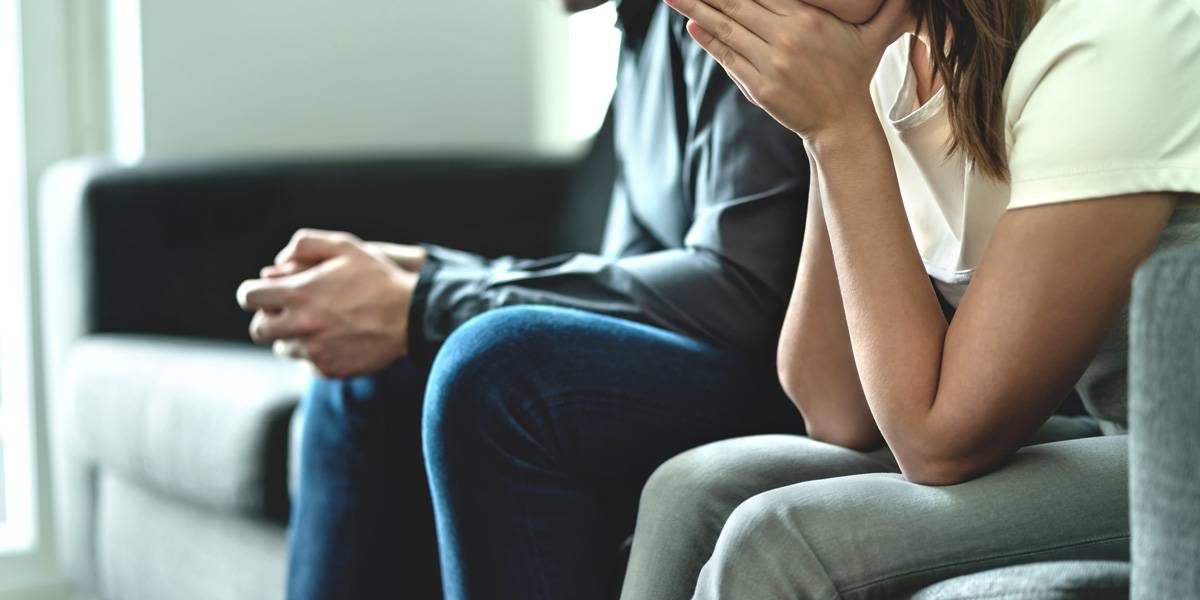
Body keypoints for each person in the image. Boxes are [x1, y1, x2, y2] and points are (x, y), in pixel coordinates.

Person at [234, 0, 827, 597]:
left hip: (805, 386)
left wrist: (430, 300)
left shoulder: (736, 14)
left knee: (492, 365)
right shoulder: (643, 26)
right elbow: (631, 268)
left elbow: (743, 289)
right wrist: (427, 280)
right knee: (374, 362)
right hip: (723, 358)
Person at [619, 0, 1200, 597]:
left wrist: (839, 127)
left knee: (781, 540)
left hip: (1186, 451)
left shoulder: (1116, 31)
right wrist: (828, 128)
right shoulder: (900, 51)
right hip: (1116, 433)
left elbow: (938, 445)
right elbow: (837, 411)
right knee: (692, 488)